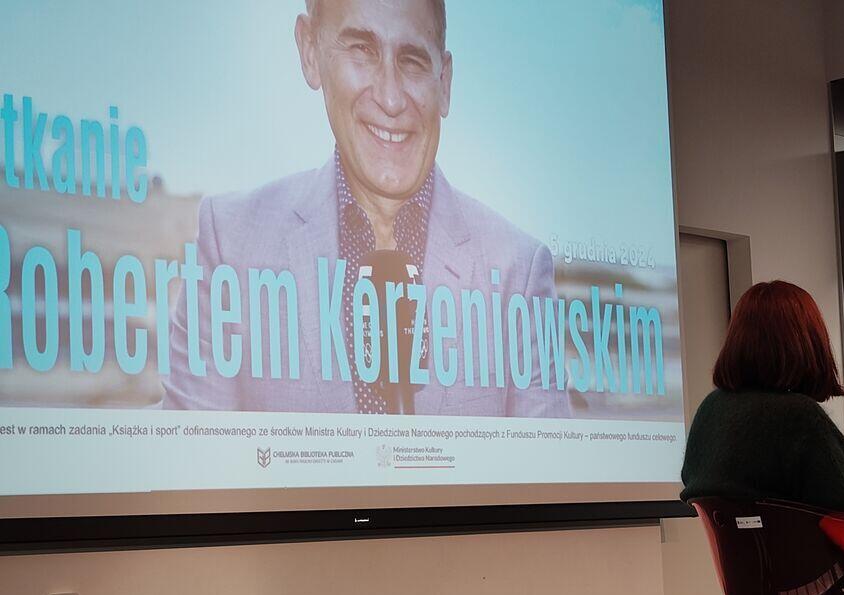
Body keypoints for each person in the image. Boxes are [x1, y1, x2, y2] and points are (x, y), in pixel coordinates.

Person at [162, 0, 568, 418]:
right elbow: (195, 453)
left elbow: (547, 460)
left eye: (412, 61)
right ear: (310, 51)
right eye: (361, 50)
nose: (390, 98)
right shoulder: (230, 242)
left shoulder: (518, 269)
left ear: (444, 83)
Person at [679, 281, 844, 520]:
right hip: (802, 547)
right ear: (809, 341)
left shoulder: (710, 409)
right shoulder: (800, 417)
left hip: (739, 548)